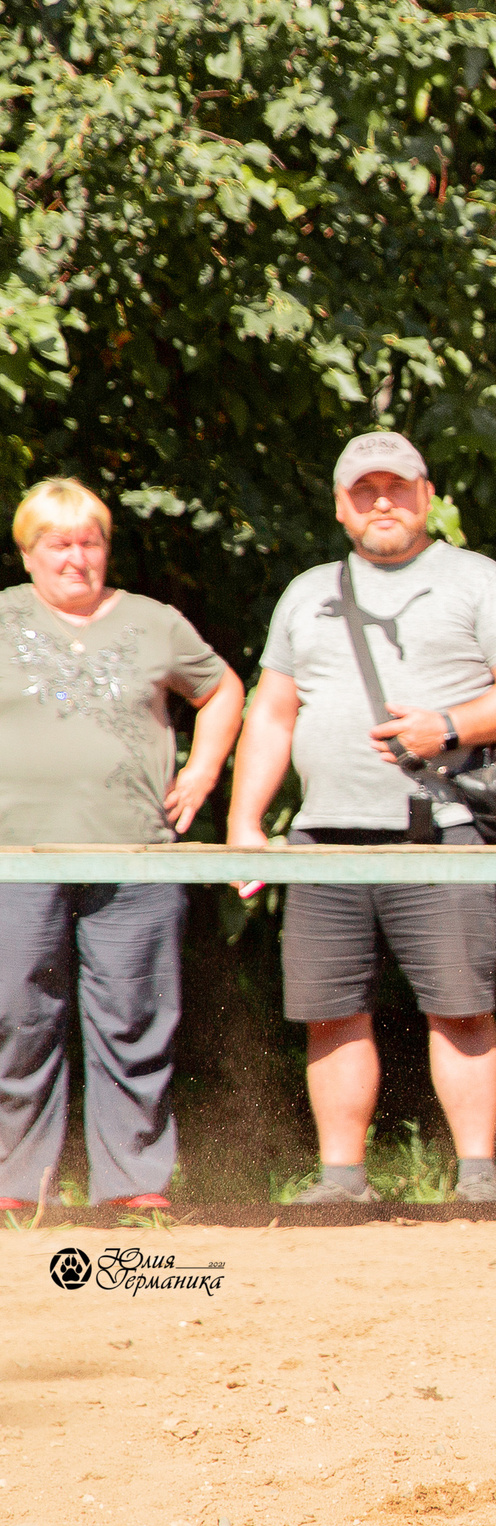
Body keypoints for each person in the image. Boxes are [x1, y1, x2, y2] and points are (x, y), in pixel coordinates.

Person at [225, 432, 496, 1205]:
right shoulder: (306, 592)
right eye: (364, 490)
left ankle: (478, 1178)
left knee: (461, 1008)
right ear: (340, 506)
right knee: (330, 1014)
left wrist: (450, 724)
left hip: (440, 829)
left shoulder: (479, 581)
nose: (382, 502)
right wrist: (244, 823)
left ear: (426, 495)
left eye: (397, 487)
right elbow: (271, 712)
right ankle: (342, 1181)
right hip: (321, 836)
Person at [0, 478, 244, 1212]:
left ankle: (133, 1185)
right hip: (15, 854)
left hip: (136, 852)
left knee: (135, 1017)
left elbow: (223, 690)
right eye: (58, 543)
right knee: (16, 1016)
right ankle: (15, 1187)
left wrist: (202, 771)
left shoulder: (154, 622)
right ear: (27, 552)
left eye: (90, 541)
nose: (75, 557)